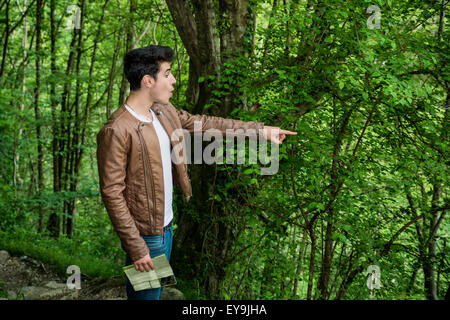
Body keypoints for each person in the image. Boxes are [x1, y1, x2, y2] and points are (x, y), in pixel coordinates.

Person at [96, 45, 296, 300]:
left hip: (166, 227)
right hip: (146, 236)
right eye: (167, 74)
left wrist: (261, 131)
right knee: (145, 299)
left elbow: (207, 124)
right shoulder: (116, 130)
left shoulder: (163, 111)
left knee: (152, 295)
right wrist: (136, 247)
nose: (173, 80)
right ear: (148, 81)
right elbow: (112, 194)